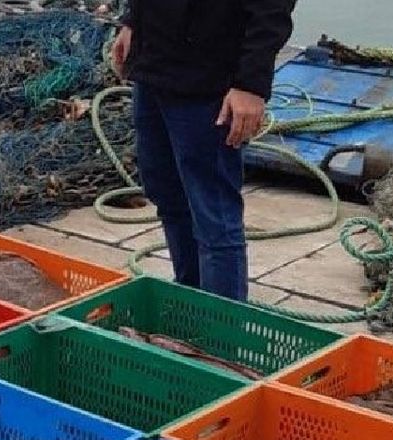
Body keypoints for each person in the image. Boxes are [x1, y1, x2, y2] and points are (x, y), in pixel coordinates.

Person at [112, 0, 298, 300]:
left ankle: (221, 322)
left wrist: (250, 85)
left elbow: (272, 10)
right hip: (153, 66)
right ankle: (189, 303)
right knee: (167, 196)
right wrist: (132, 21)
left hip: (209, 83)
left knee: (214, 216)